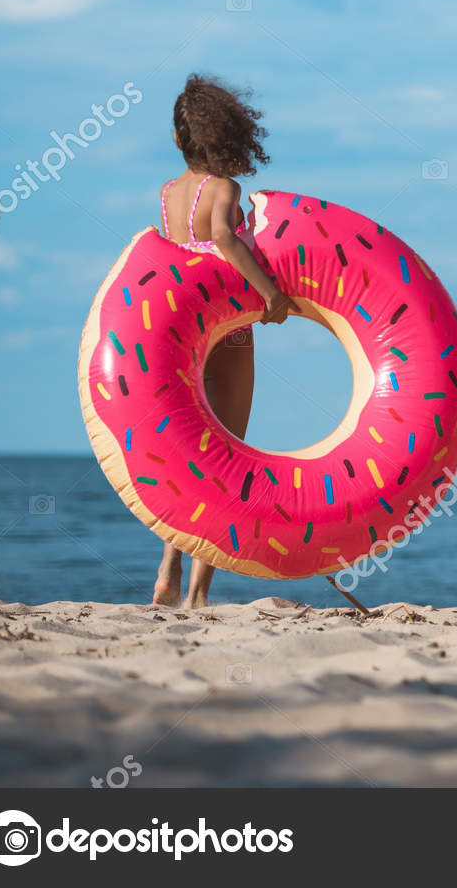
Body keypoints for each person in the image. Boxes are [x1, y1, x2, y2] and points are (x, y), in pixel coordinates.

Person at [151, 75, 298, 608]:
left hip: (180, 338)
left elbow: (172, 257)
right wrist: (271, 296)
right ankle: (197, 595)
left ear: (177, 139)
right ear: (229, 133)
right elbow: (221, 238)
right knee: (223, 460)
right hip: (230, 336)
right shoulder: (224, 190)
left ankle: (167, 566)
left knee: (189, 456)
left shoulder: (168, 194)